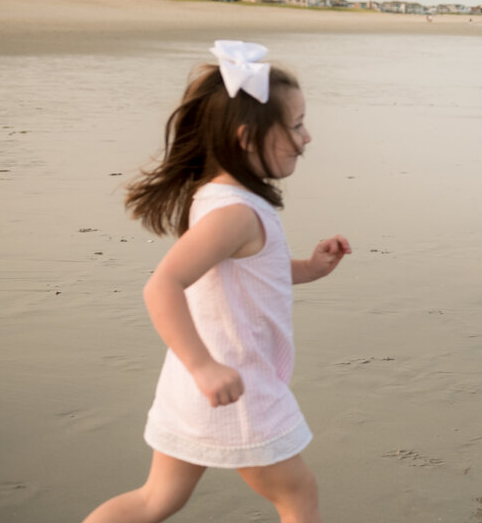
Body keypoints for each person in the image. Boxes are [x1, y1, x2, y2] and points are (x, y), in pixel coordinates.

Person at [82, 40, 351, 523]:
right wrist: (205, 366)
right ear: (247, 138)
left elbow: (250, 274)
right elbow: (161, 285)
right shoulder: (235, 213)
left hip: (197, 387)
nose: (306, 137)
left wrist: (308, 268)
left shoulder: (218, 196)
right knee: (299, 496)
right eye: (295, 125)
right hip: (234, 386)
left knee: (156, 500)